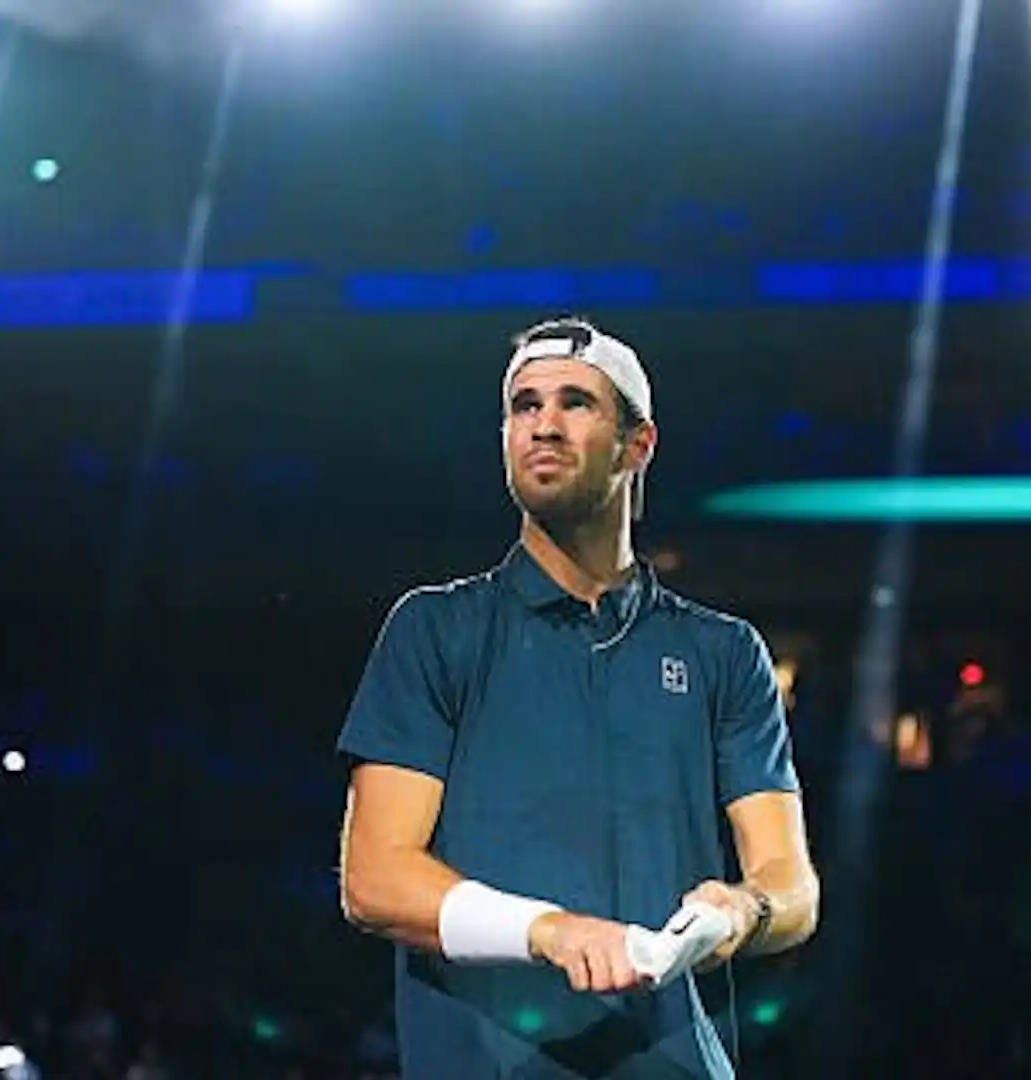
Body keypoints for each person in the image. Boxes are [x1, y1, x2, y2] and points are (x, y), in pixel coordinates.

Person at [336, 316, 820, 1079]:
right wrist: (552, 931)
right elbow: (373, 880)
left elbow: (791, 887)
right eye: (524, 406)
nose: (544, 426)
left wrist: (739, 910)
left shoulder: (723, 653)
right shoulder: (434, 630)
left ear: (639, 445)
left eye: (575, 403)